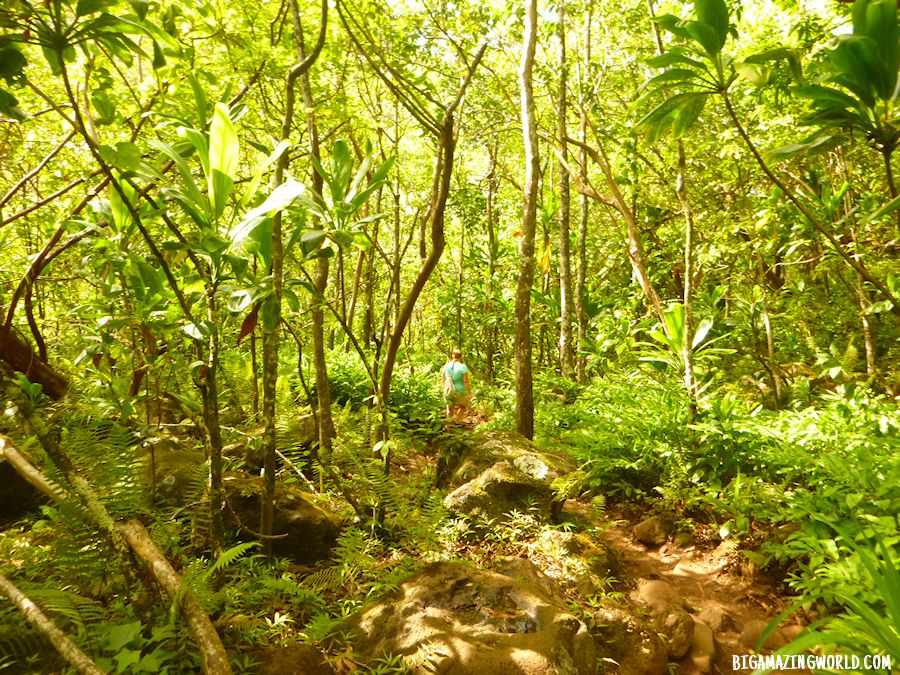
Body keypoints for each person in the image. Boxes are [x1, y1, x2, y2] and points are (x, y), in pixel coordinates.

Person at [440, 350, 471, 421]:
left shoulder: (446, 366)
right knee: (463, 407)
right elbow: (465, 381)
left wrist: (444, 389)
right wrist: (469, 393)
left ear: (452, 356)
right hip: (459, 391)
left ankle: (448, 427)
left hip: (448, 390)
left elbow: (442, 379)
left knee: (449, 410)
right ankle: (457, 421)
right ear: (461, 357)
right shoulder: (463, 367)